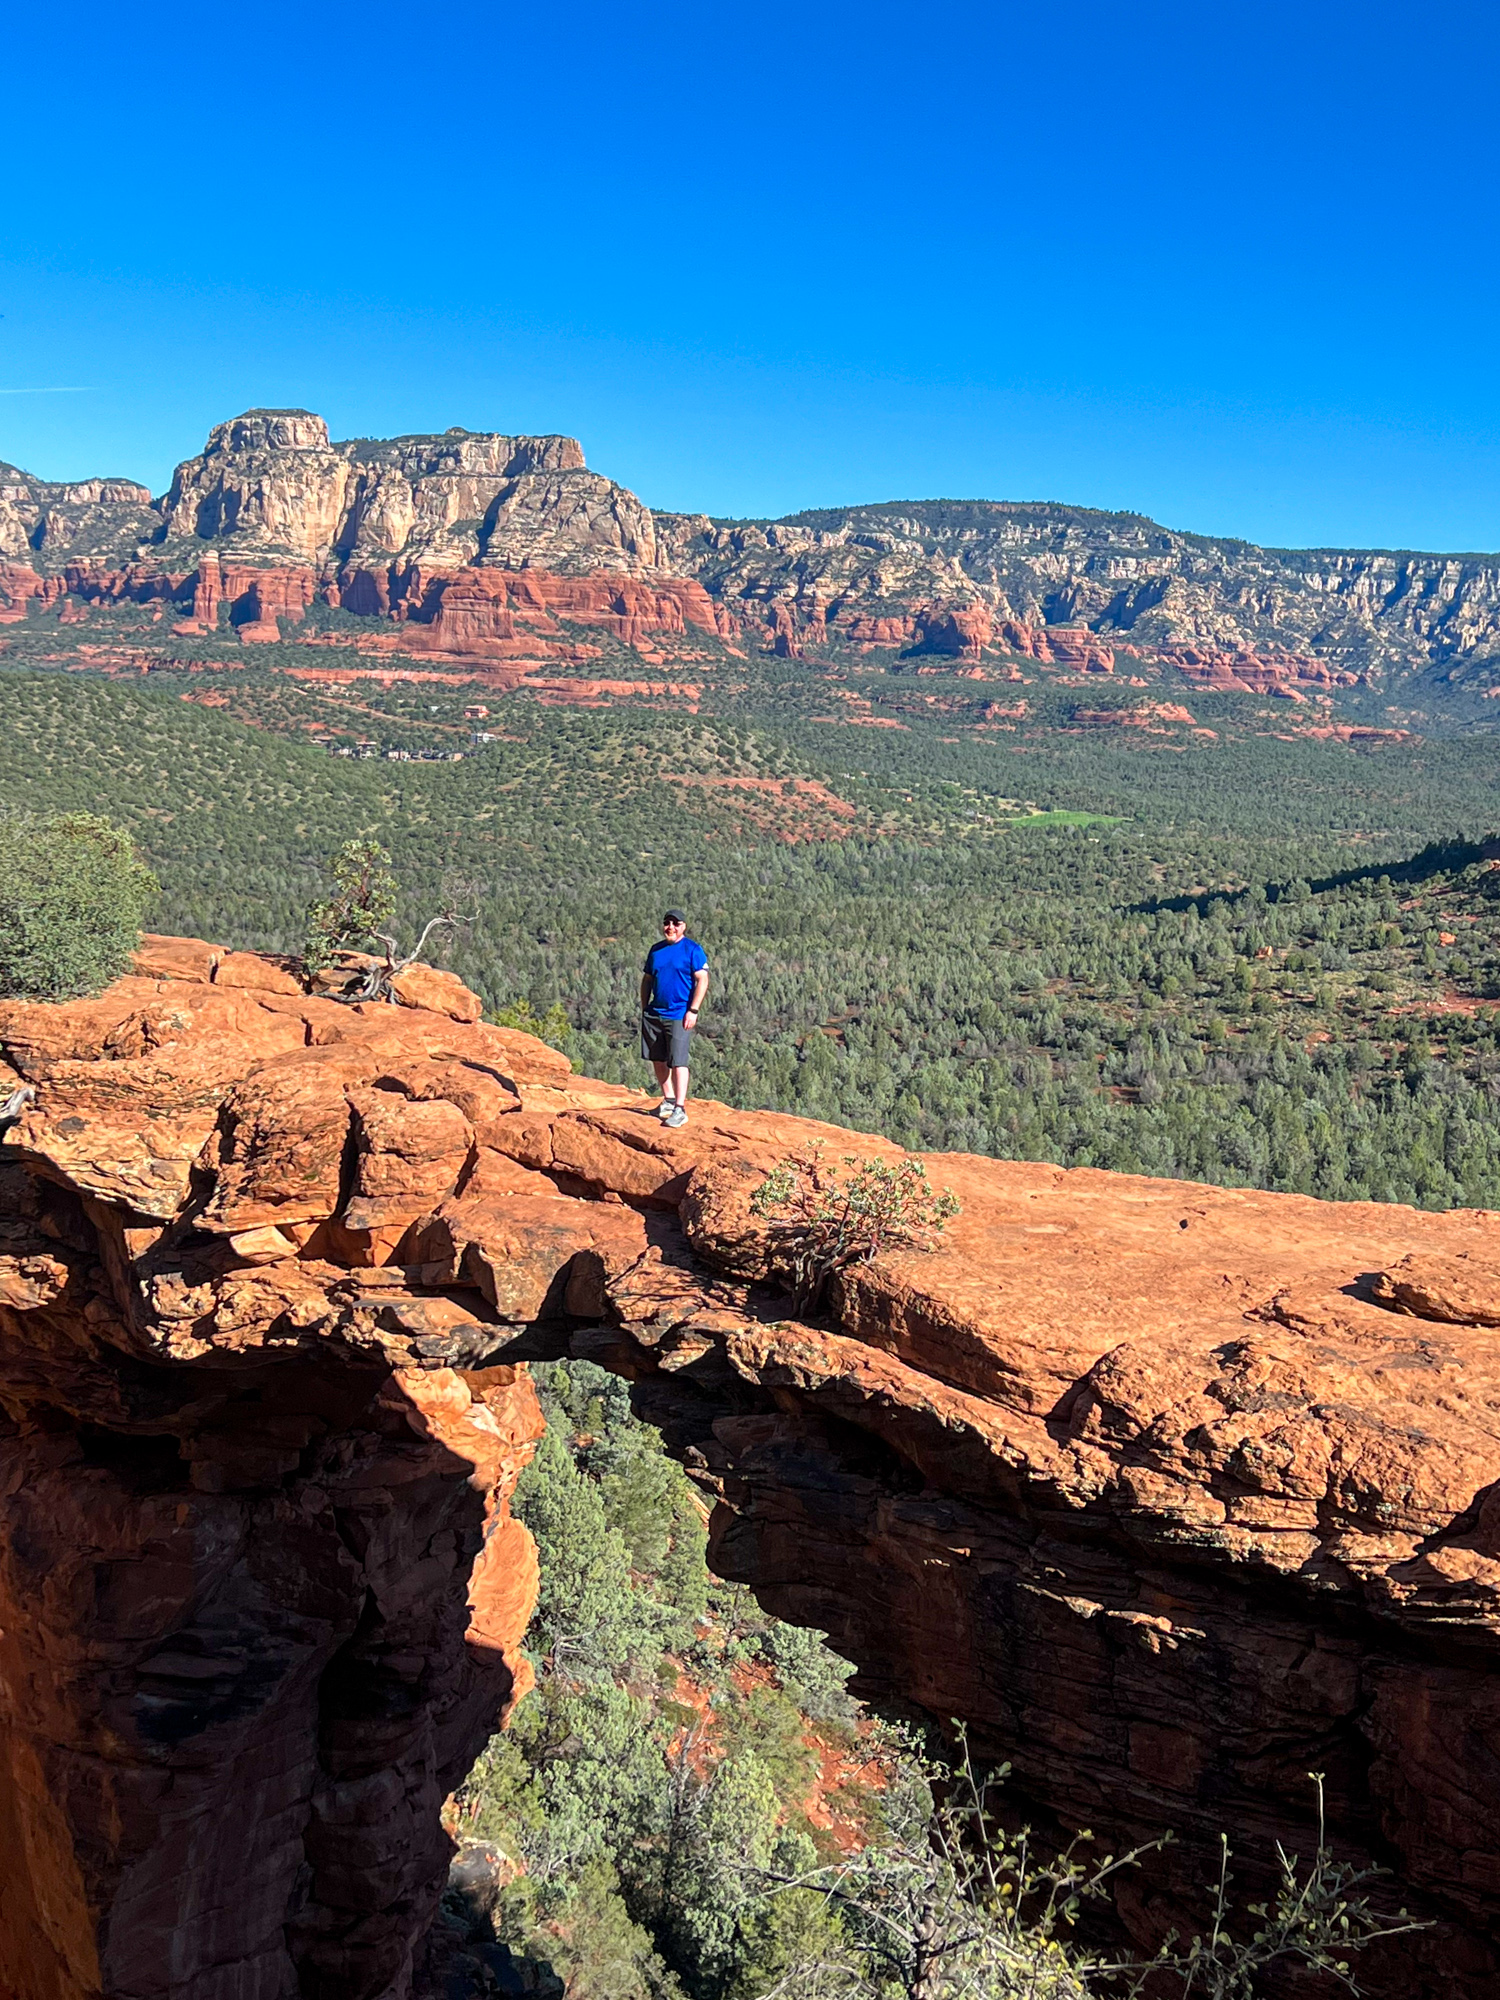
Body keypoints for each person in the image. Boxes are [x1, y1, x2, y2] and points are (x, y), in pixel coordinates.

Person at [640, 909, 709, 1128]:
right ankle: (668, 1100)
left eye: (675, 924)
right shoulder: (656, 950)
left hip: (680, 1014)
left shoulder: (693, 950)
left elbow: (703, 980)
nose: (670, 927)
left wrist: (693, 1010)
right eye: (667, 923)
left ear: (683, 926)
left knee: (678, 1061)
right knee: (657, 1058)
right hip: (655, 1013)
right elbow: (647, 979)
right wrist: (645, 1007)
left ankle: (680, 1108)